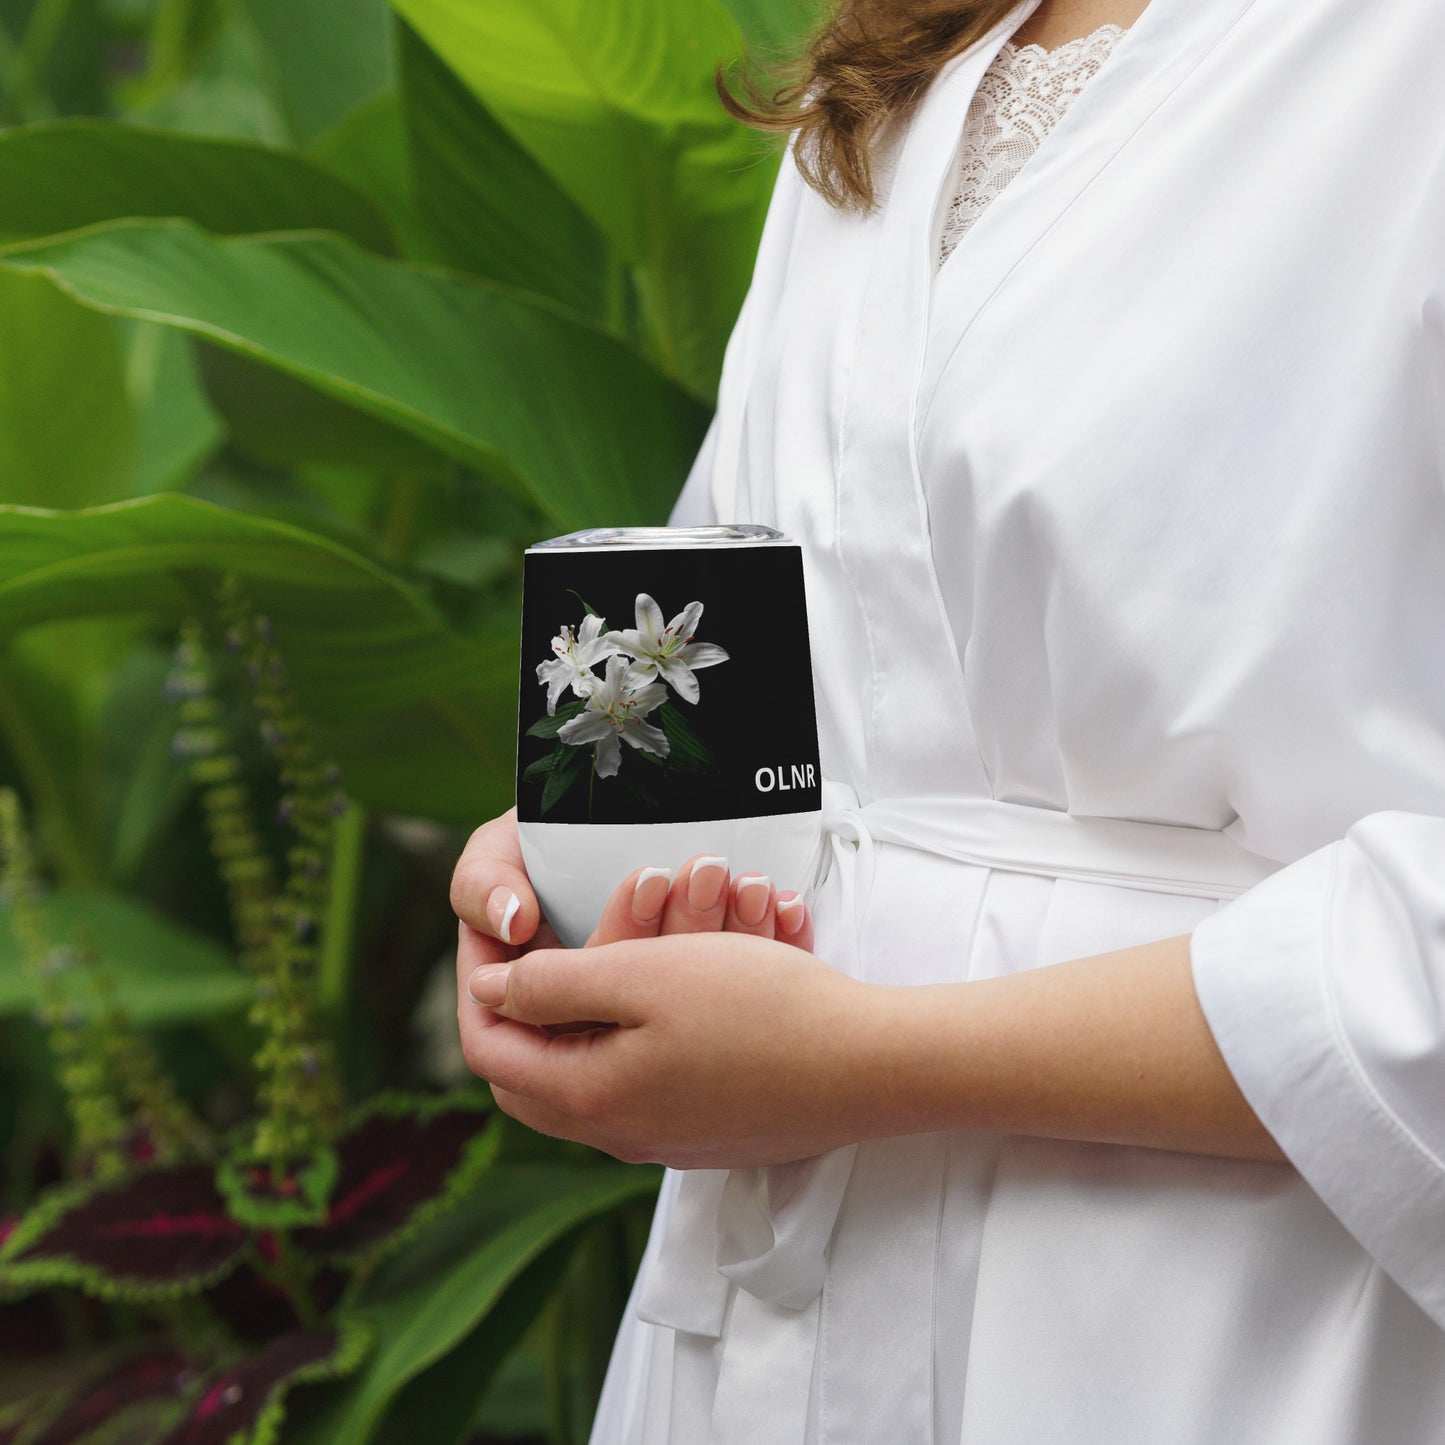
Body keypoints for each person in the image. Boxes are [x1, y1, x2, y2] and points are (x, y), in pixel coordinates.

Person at [451, 0, 1445, 1439]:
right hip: (778, 1312)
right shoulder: (903, 56)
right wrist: (577, 864)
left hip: (1233, 1314)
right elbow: (770, 629)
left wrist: (864, 1058)